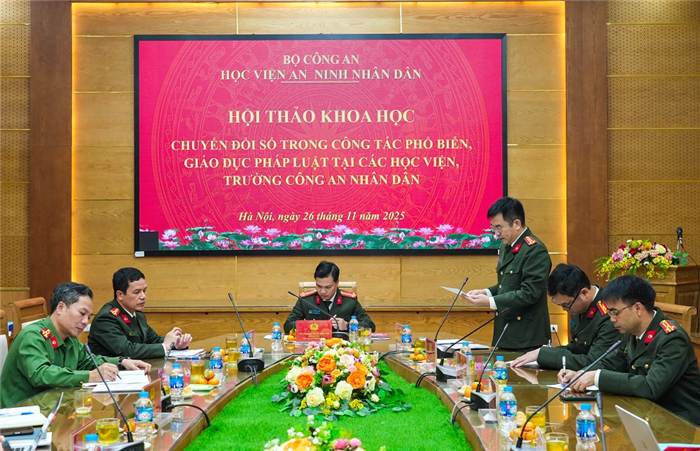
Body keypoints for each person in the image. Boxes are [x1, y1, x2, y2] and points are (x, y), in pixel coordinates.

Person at [559, 275, 700, 426]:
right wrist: (581, 373)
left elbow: (650, 387)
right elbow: (612, 362)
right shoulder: (631, 333)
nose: (612, 319)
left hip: (678, 423)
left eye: (615, 312)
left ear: (638, 308)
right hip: (646, 414)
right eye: (610, 313)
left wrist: (596, 377)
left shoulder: (671, 338)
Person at [0, 282, 150, 408]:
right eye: (82, 314)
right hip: (20, 416)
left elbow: (86, 361)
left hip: (53, 407)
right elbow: (41, 374)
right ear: (61, 307)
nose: (85, 322)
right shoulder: (33, 336)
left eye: (89, 317)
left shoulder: (69, 338)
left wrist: (121, 362)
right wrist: (90, 376)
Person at [461, 197, 552, 351]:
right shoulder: (507, 246)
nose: (496, 233)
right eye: (493, 227)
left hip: (527, 337)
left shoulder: (535, 250)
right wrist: (486, 292)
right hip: (506, 332)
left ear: (516, 224)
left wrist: (490, 301)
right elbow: (508, 284)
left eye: (499, 227)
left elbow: (529, 293)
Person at [512, 264, 621, 370]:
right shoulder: (578, 305)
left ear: (584, 293)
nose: (564, 309)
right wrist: (542, 353)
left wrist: (545, 355)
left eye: (566, 304)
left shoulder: (609, 315)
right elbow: (575, 348)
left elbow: (593, 362)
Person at [88, 267, 192, 359]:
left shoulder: (138, 314)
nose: (143, 296)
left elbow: (153, 339)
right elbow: (127, 350)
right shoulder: (107, 318)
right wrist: (164, 347)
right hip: (112, 372)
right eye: (137, 292)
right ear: (120, 295)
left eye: (144, 291)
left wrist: (176, 344)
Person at [284, 261, 375, 334]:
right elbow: (288, 326)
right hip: (313, 345)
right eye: (319, 286)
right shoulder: (305, 300)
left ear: (337, 283)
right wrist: (313, 325)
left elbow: (370, 326)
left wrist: (348, 326)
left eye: (328, 287)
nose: (323, 291)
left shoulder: (349, 301)